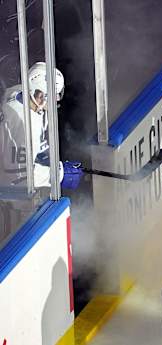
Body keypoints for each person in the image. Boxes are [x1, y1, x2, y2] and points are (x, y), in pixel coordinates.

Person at [0, 62, 83, 240]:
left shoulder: (18, 93)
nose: (54, 101)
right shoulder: (24, 126)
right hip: (9, 202)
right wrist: (58, 174)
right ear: (37, 94)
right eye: (49, 96)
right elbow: (20, 175)